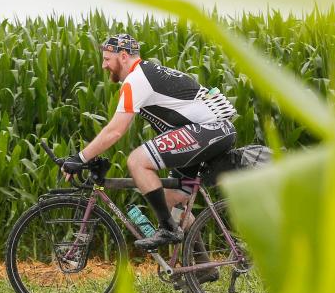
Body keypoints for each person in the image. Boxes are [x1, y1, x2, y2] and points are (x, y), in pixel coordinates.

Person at [60, 33, 238, 254]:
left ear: (123, 56)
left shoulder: (136, 80)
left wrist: (80, 158)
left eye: (107, 59)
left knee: (137, 161)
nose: (104, 65)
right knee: (170, 198)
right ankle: (203, 267)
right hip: (209, 131)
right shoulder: (145, 74)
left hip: (210, 130)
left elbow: (115, 131)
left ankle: (168, 229)